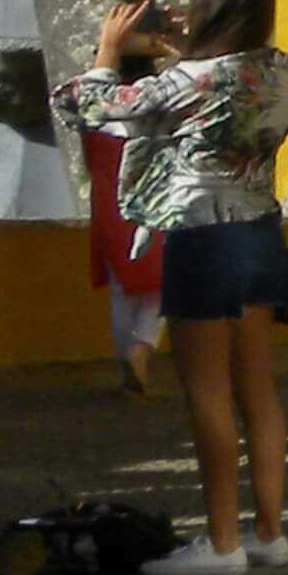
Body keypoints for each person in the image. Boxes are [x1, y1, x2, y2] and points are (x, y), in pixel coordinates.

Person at [50, 0, 288, 575]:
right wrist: (185, 46)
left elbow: (89, 104)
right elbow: (221, 81)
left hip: (202, 235)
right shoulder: (280, 69)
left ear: (211, 4)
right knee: (258, 391)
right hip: (260, 230)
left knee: (207, 393)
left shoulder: (193, 79)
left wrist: (109, 49)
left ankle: (222, 542)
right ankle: (269, 533)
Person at [79, 112, 166, 396]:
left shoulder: (96, 112)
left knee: (121, 291)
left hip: (108, 204)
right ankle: (140, 347)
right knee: (164, 284)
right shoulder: (155, 109)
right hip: (150, 203)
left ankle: (127, 361)